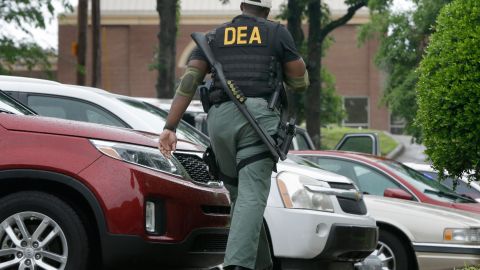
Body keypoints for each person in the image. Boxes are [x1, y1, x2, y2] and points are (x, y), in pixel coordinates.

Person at [158, 0, 309, 269]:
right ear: (267, 9)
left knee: (241, 197)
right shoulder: (276, 33)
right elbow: (300, 81)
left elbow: (190, 81)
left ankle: (262, 265)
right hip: (258, 123)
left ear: (242, 5)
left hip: (219, 123)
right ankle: (237, 266)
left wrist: (170, 127)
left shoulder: (214, 36)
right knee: (251, 196)